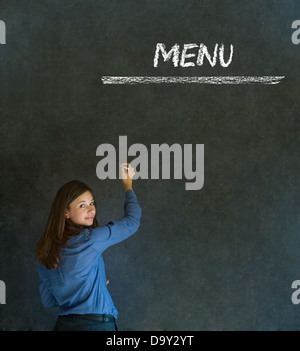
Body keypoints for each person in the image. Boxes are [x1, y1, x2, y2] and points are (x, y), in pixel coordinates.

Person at [35, 163, 141, 331]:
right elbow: (132, 222)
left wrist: (87, 288)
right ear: (66, 212)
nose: (91, 209)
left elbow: (49, 301)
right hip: (96, 326)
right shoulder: (90, 240)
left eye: (92, 203)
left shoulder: (43, 251)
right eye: (82, 205)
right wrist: (128, 185)